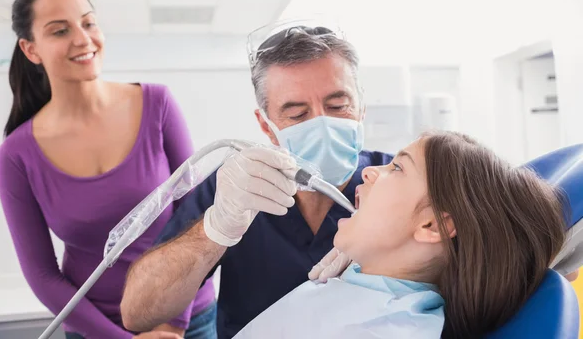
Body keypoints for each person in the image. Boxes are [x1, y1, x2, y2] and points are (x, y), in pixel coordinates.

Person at [120, 23, 394, 338]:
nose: (322, 124)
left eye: (337, 106)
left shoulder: (396, 183)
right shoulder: (237, 185)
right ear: (265, 126)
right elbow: (137, 312)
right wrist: (216, 228)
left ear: (361, 107)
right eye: (296, 114)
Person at [0, 0, 216, 339]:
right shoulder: (16, 156)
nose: (82, 39)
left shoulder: (157, 105)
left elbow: (196, 219)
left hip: (189, 320)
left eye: (88, 22)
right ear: (31, 49)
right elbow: (42, 275)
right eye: (60, 30)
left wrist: (172, 324)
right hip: (96, 329)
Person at [231, 131, 567, 338]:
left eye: (397, 167)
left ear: (432, 226)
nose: (369, 170)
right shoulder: (366, 284)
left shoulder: (385, 331)